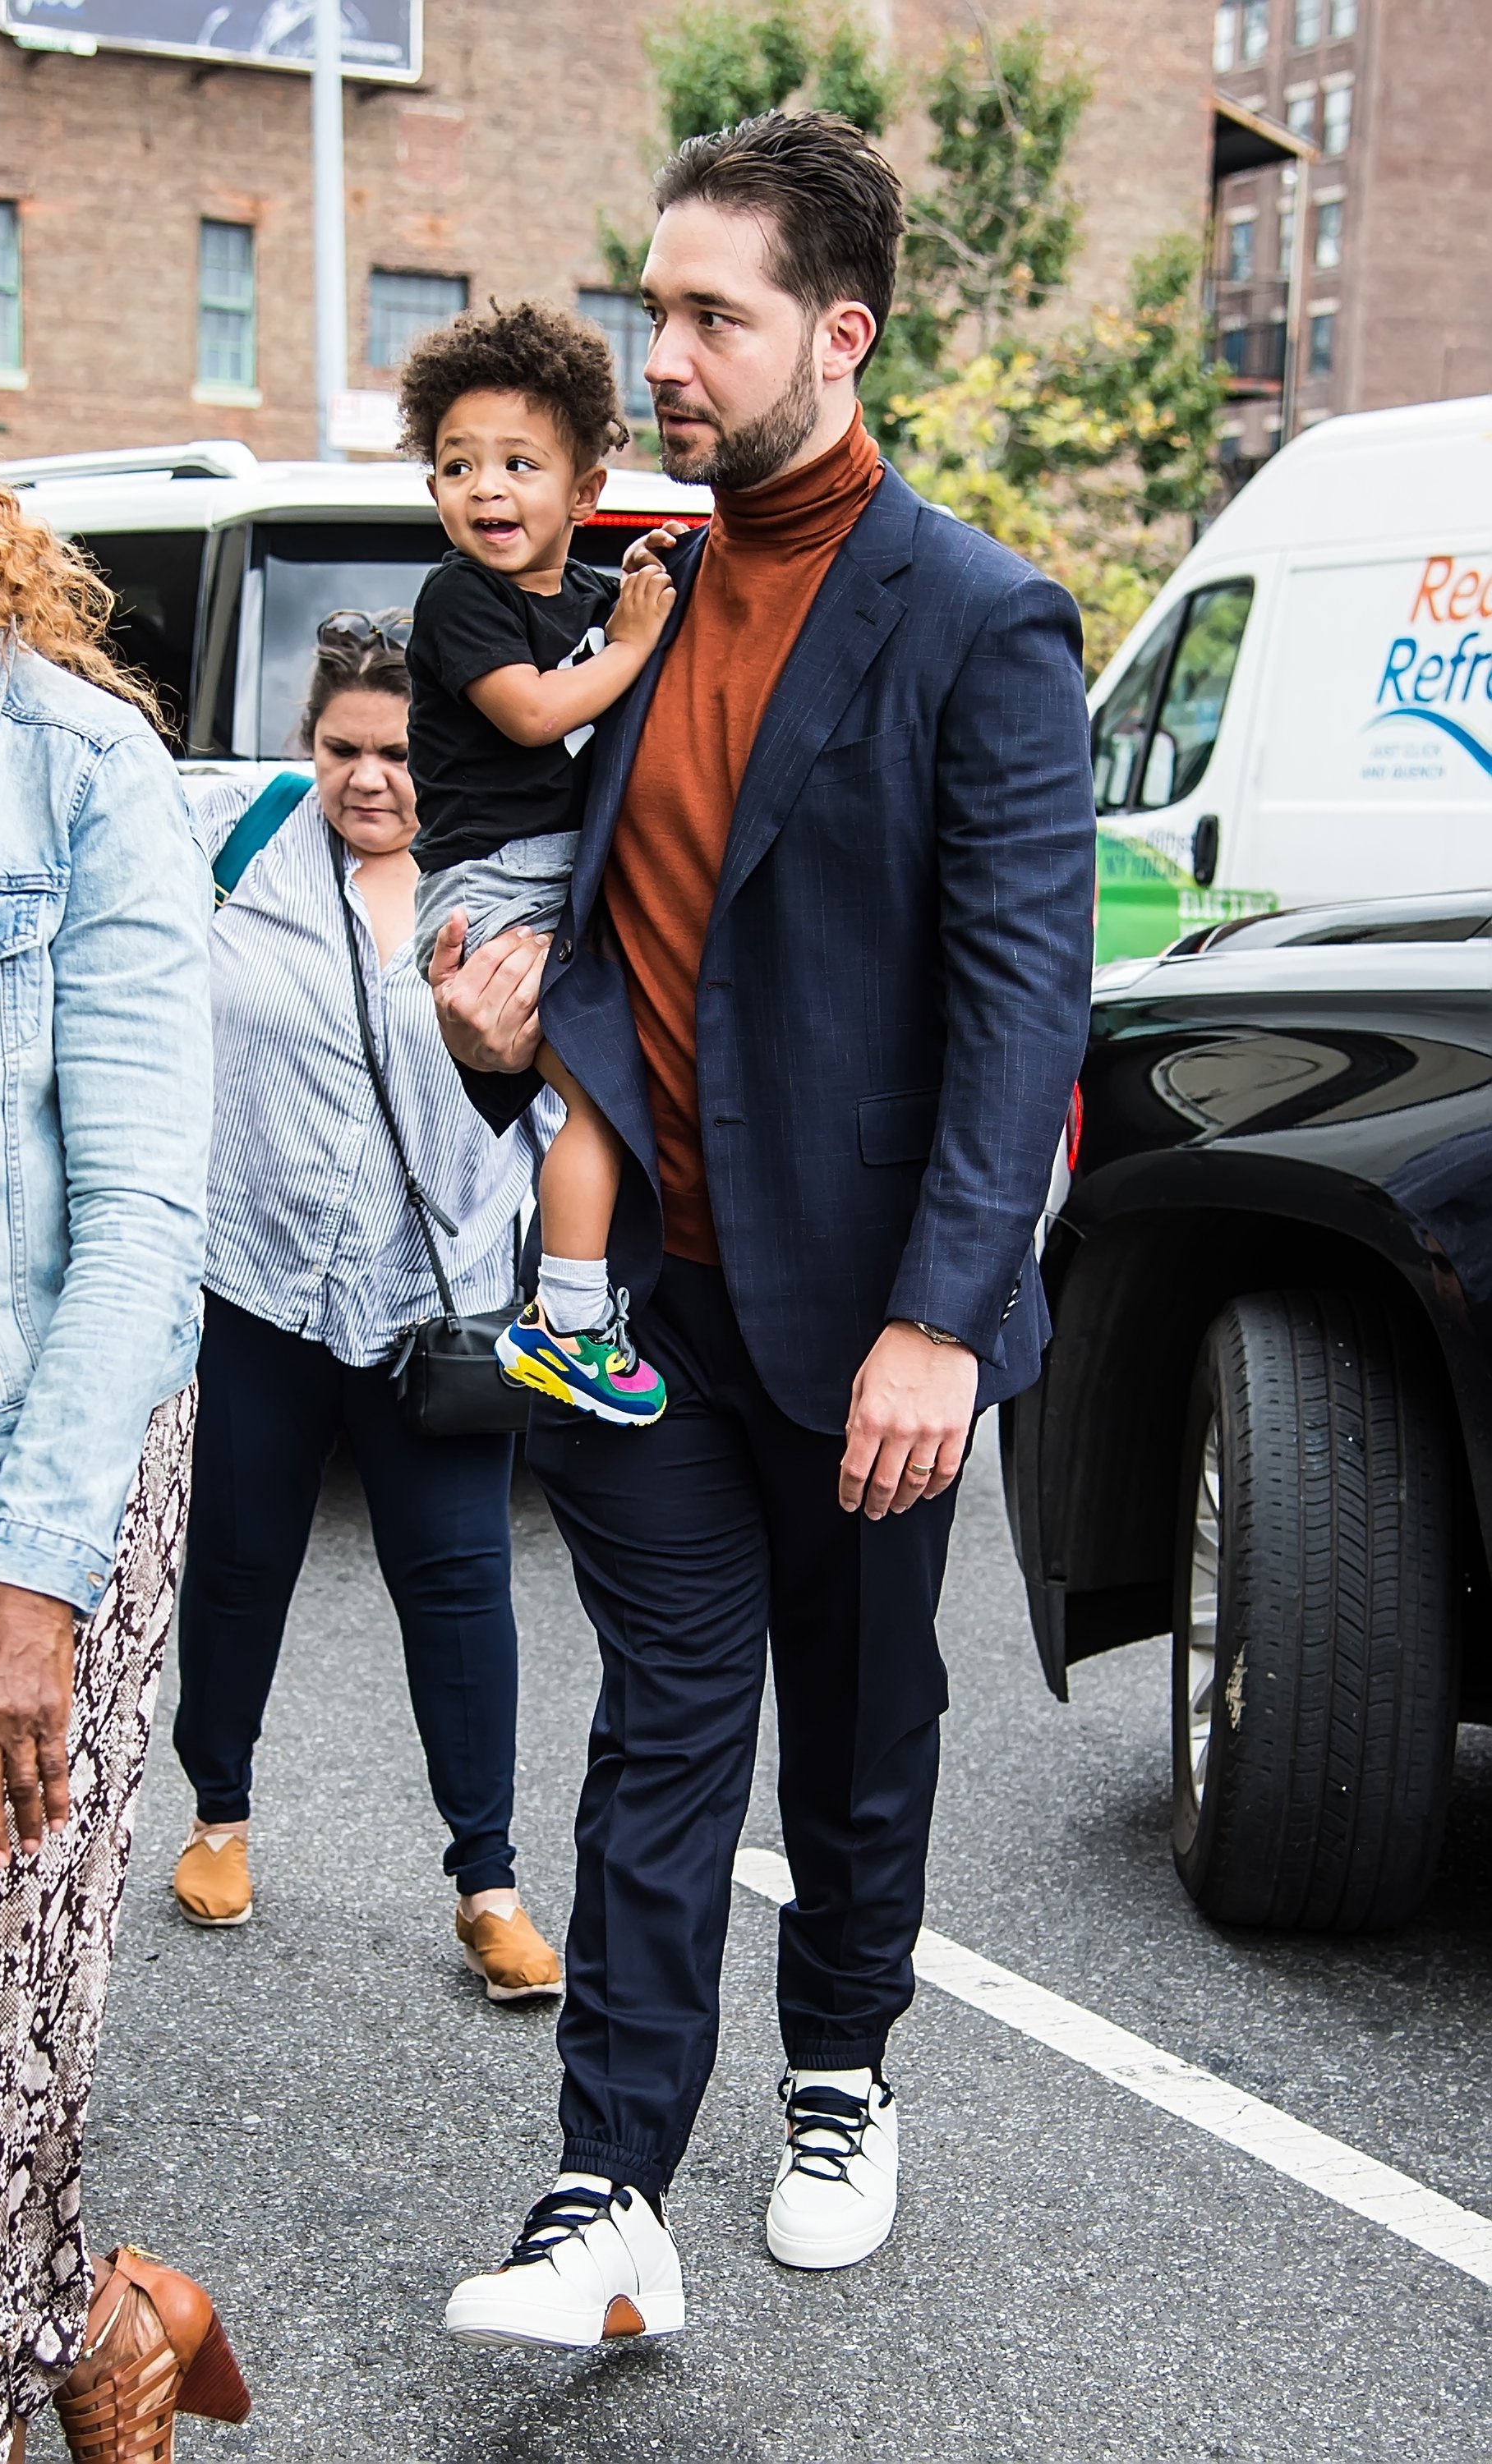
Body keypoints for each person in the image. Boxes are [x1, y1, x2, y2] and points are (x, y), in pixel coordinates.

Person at [430, 112, 1095, 2347]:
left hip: (868, 1313)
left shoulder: (981, 616)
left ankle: (838, 2068)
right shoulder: (646, 599)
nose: (669, 354)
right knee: (667, 1721)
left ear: (841, 330)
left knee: (862, 1723)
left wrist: (943, 1314)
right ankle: (605, 2187)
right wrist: (495, 1035)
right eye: (655, 308)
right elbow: (612, 942)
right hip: (645, 1307)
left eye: (712, 314)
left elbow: (1022, 1012)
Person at [0, 426, 248, 2461]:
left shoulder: (70, 770)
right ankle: (101, 2321)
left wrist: (26, 1587)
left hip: (36, 1483)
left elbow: (140, 1214)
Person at [170, 612, 564, 2006]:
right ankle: (220, 1815)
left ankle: (490, 1886)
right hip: (255, 1278)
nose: (371, 779)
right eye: (344, 748)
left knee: (460, 1591)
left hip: (434, 1303)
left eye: (399, 751)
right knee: (235, 1560)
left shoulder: (516, 888)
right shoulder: (238, 835)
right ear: (307, 745)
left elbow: (571, 1090)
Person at [400, 300, 675, 1427]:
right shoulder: (459, 597)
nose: (488, 489)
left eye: (520, 462)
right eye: (459, 466)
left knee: (609, 1095)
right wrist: (633, 649)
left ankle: (571, 1310)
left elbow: (636, 630)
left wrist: (654, 588)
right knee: (597, 1104)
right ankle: (564, 1321)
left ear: (586, 494)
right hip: (493, 885)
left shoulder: (595, 600)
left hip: (552, 877)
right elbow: (530, 713)